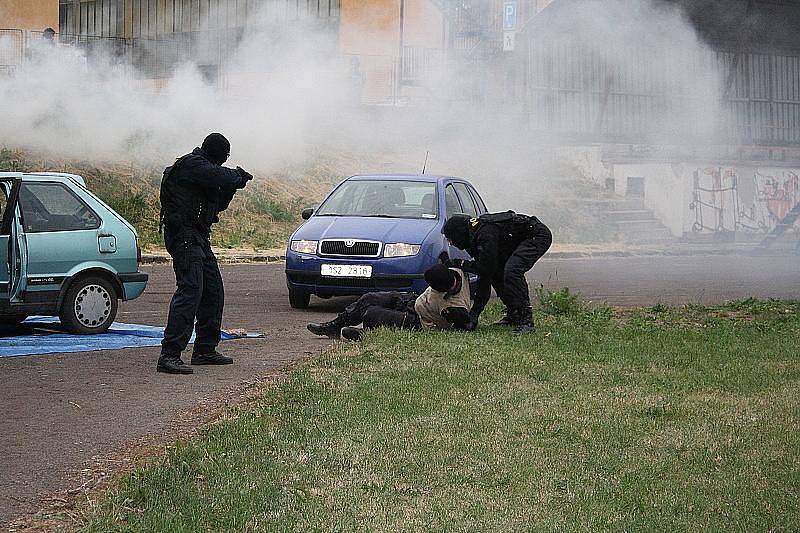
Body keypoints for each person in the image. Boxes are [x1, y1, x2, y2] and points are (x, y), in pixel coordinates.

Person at [157, 133, 253, 374]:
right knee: (191, 290)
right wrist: (236, 177)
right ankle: (169, 354)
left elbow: (217, 203)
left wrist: (233, 186)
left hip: (198, 237)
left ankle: (204, 349)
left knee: (213, 291)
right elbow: (220, 175)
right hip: (184, 237)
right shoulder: (192, 164)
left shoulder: (205, 173)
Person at [442, 211, 552, 335]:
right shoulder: (472, 236)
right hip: (519, 239)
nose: (451, 243)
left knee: (512, 271)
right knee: (497, 272)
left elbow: (484, 270)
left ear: (459, 234)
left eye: (451, 239)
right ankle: (514, 314)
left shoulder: (485, 235)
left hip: (537, 236)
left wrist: (459, 263)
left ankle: (526, 321)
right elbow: (485, 275)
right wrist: (473, 316)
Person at [307, 264, 475, 341]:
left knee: (372, 314)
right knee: (369, 298)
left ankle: (365, 336)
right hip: (414, 300)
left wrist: (470, 321)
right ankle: (334, 326)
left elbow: (465, 324)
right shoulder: (457, 271)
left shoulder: (454, 307)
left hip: (421, 322)